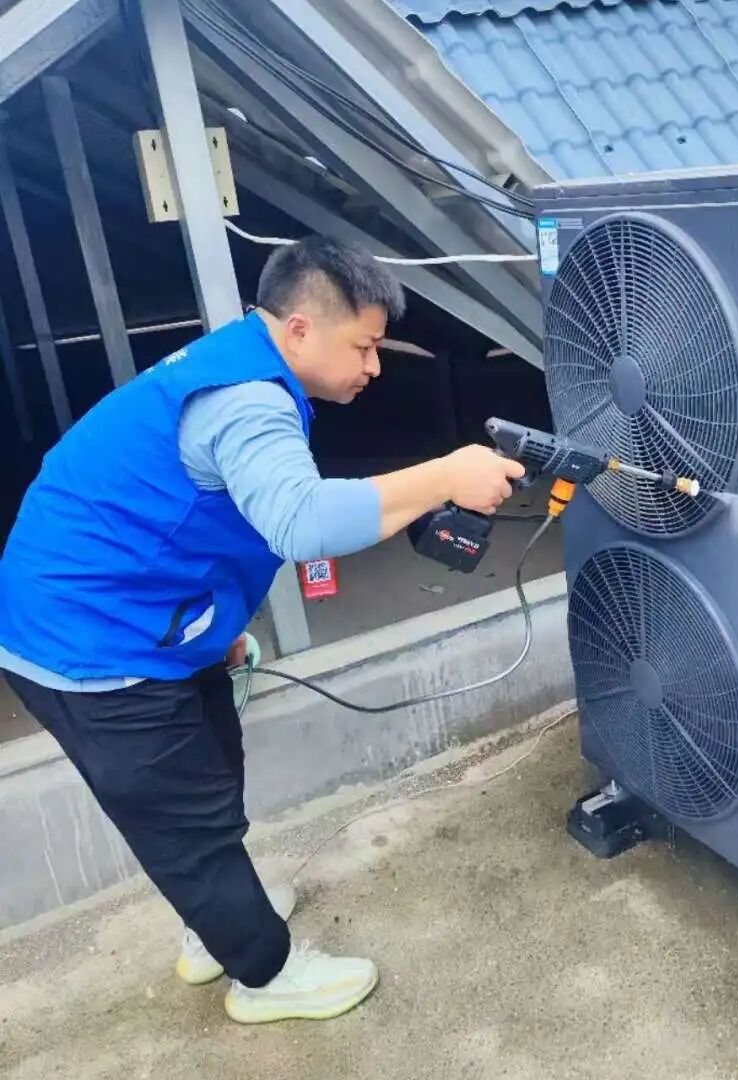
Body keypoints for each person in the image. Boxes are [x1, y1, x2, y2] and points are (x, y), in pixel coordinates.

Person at [0, 235, 525, 1024]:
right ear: (301, 329)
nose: (375, 367)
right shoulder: (246, 400)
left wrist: (221, 628)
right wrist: (447, 475)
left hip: (144, 614)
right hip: (88, 640)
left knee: (211, 768)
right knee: (187, 819)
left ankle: (220, 919)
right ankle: (265, 974)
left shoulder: (242, 367)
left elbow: (207, 515)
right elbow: (301, 521)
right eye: (365, 347)